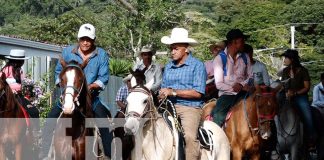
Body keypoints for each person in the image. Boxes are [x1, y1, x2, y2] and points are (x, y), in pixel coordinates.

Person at [40, 23, 112, 159]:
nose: (85, 42)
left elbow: (104, 77)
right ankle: (44, 154)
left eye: (89, 39)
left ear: (94, 40)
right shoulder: (67, 52)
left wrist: (90, 86)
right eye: (83, 39)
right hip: (68, 95)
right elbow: (58, 73)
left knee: (105, 124)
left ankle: (109, 155)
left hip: (91, 97)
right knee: (50, 119)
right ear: (78, 39)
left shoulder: (101, 54)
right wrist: (64, 86)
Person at [159, 27, 206, 160]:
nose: (172, 52)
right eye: (171, 48)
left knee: (189, 137)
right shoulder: (168, 66)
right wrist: (161, 94)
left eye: (176, 48)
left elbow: (198, 93)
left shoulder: (197, 65)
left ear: (186, 49)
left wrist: (173, 92)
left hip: (190, 107)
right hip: (168, 107)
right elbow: (164, 88)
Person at [212, 29, 252, 126]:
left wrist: (241, 86)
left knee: (263, 110)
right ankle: (216, 137)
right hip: (227, 95)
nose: (244, 44)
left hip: (244, 93)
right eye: (242, 41)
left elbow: (251, 76)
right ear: (234, 42)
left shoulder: (245, 57)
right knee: (218, 115)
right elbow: (219, 84)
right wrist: (233, 88)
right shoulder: (220, 59)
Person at [280, 49, 317, 147]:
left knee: (307, 114)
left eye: (286, 58)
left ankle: (311, 138)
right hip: (287, 96)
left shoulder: (303, 71)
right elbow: (283, 85)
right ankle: (274, 140)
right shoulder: (285, 71)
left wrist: (295, 93)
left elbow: (307, 87)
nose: (284, 60)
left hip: (300, 96)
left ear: (292, 59)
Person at [1, 49, 40, 119]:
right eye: (22, 60)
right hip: (8, 96)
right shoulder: (6, 69)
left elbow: (21, 83)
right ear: (19, 61)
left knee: (34, 111)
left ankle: (33, 130)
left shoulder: (20, 70)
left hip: (19, 95)